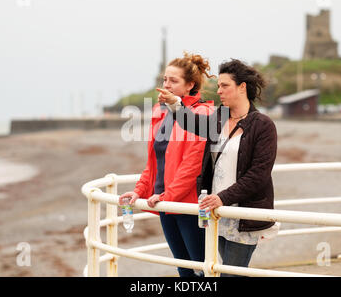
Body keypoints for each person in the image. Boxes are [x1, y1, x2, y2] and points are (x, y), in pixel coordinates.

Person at [157, 58, 279, 277]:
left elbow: (258, 174)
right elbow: (192, 123)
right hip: (217, 213)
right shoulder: (220, 116)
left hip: (242, 214)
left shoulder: (263, 125)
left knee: (230, 273)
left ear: (242, 87)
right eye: (219, 85)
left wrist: (223, 197)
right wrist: (174, 102)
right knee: (221, 270)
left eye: (225, 86)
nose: (219, 91)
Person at [119, 52, 215, 277]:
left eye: (174, 81)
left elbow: (192, 167)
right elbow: (154, 164)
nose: (166, 85)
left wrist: (167, 196)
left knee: (201, 268)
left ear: (190, 85)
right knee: (183, 268)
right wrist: (139, 191)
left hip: (190, 205)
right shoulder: (161, 114)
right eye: (165, 80)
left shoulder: (202, 113)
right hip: (165, 202)